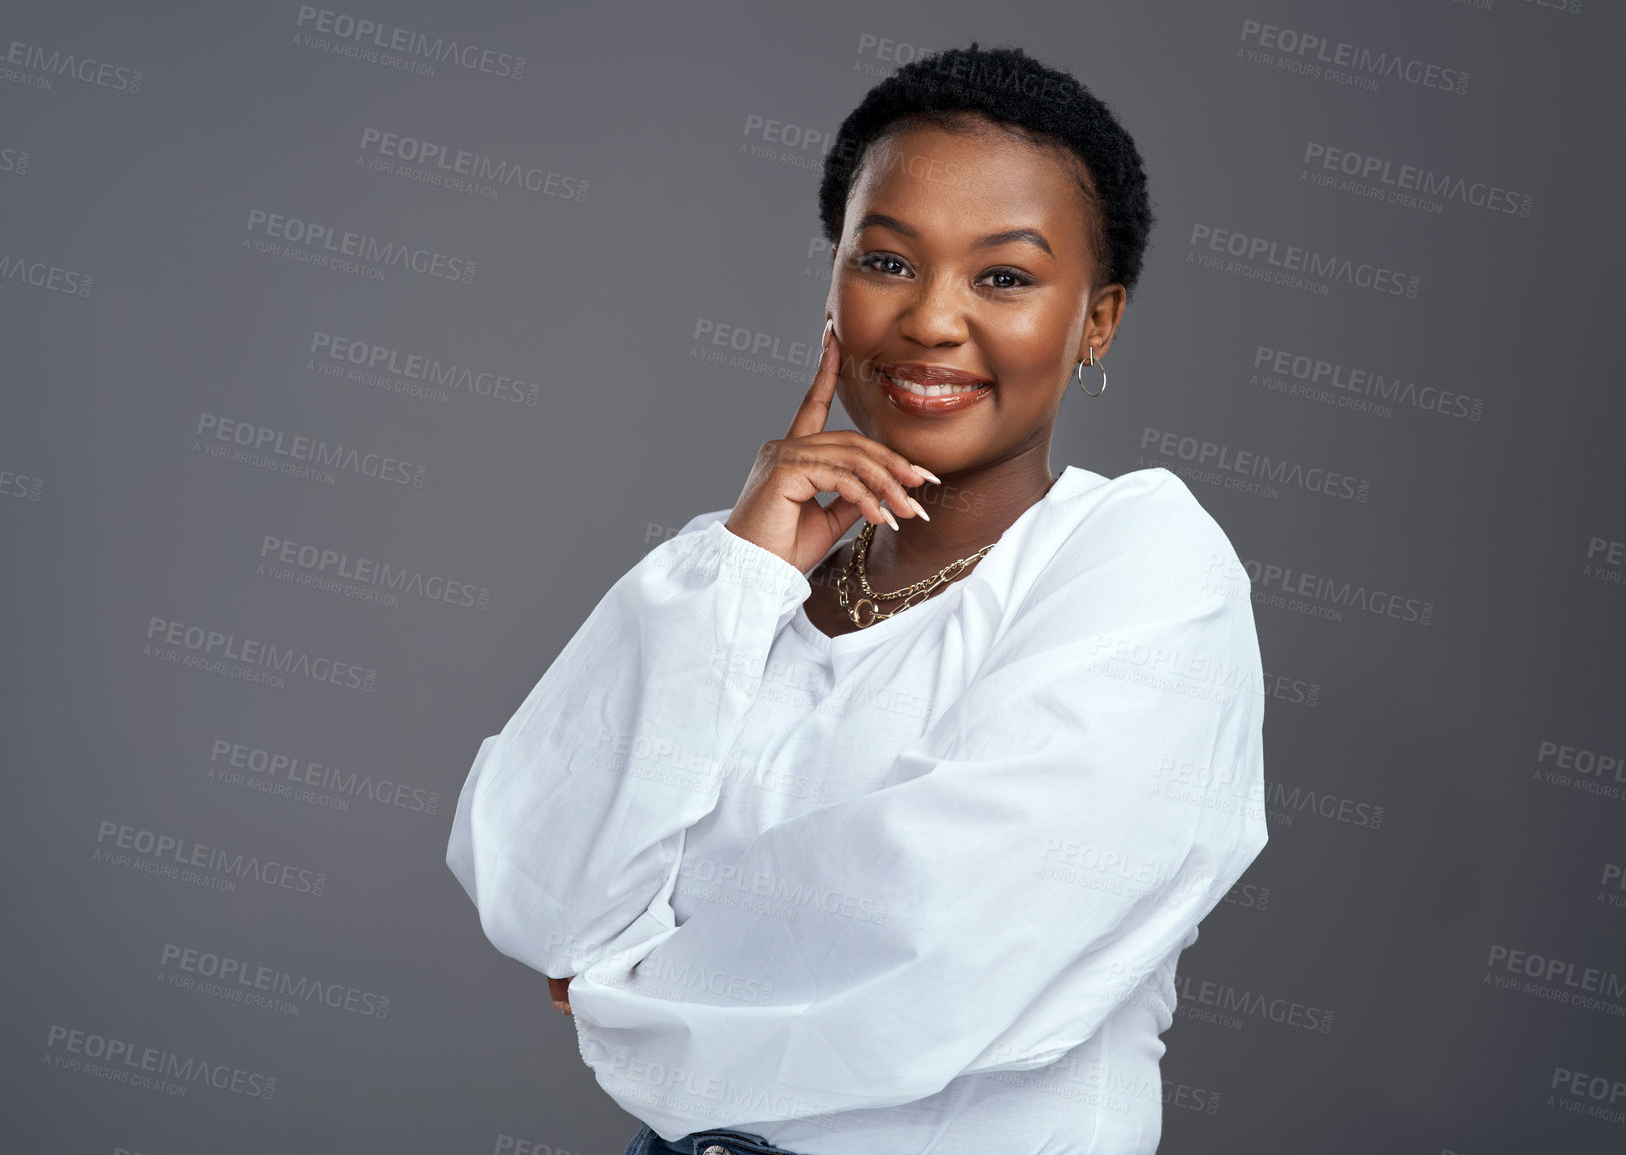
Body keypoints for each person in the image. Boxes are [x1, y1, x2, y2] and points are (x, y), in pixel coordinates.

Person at [447, 42, 1269, 1155]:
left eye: (1006, 277)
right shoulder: (736, 570)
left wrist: (626, 967)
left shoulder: (1141, 566)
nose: (932, 320)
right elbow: (537, 889)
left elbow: (945, 945)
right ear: (834, 281)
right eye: (886, 262)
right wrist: (741, 573)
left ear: (1099, 321)